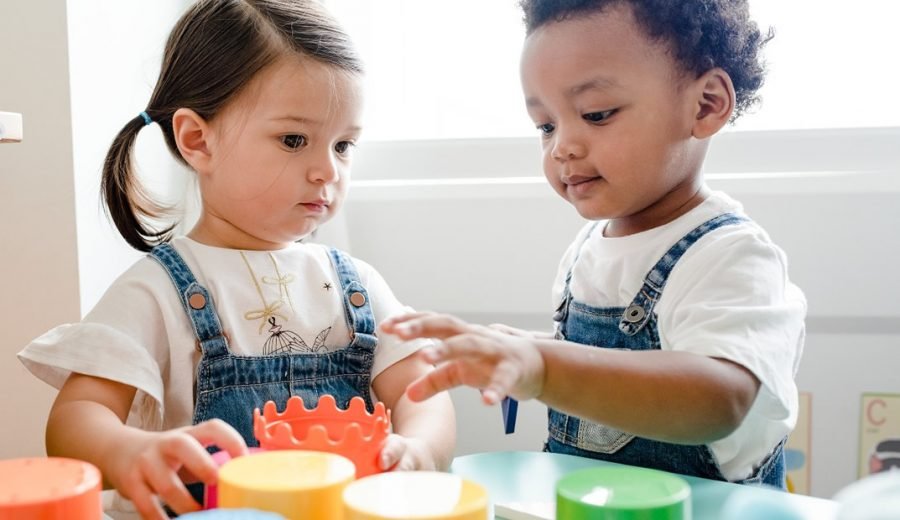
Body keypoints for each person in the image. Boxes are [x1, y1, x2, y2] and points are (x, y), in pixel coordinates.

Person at [17, 1, 455, 518]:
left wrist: (421, 448)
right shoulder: (157, 289)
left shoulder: (355, 284)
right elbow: (76, 418)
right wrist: (130, 452)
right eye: (294, 139)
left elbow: (424, 392)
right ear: (197, 140)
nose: (326, 170)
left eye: (343, 145)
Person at [382, 0, 804, 488]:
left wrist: (544, 367)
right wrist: (523, 350)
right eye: (546, 125)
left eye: (596, 114)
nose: (562, 145)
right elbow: (595, 362)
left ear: (705, 104)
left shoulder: (730, 256)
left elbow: (721, 398)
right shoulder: (588, 248)